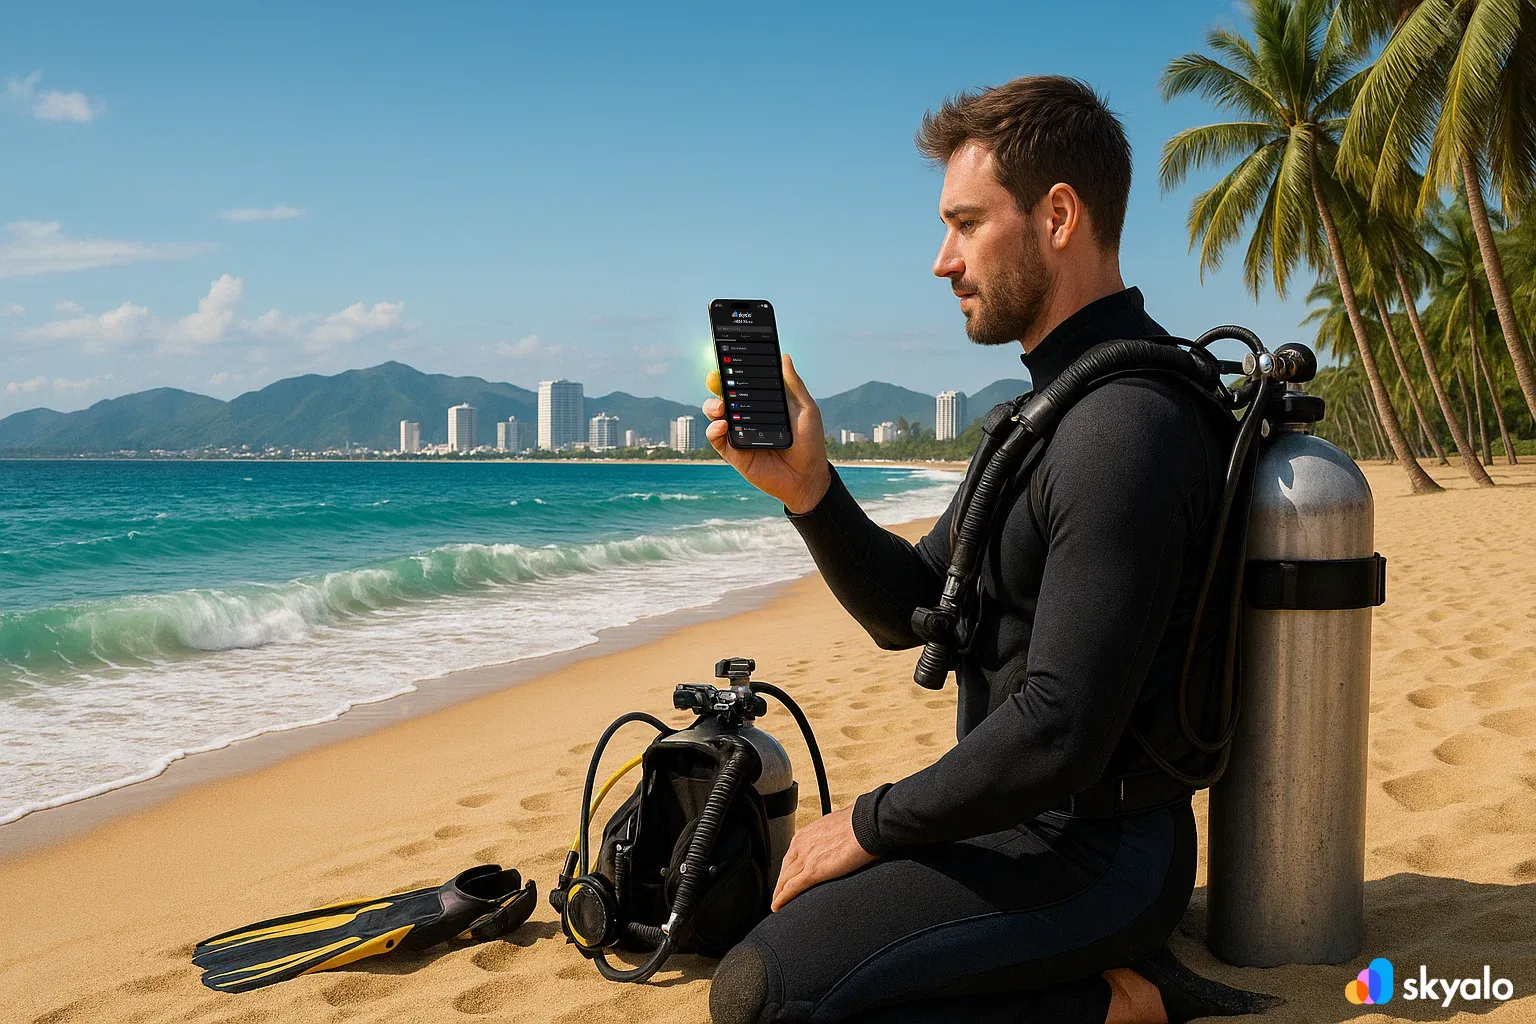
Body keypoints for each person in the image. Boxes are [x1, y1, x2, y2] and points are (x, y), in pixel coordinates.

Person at [700, 77, 1276, 1024]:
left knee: (762, 999)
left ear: (1057, 216)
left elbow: (1059, 725)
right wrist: (810, 489)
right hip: (1008, 822)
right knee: (774, 946)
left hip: (1096, 859)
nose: (942, 261)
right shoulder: (1041, 415)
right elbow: (914, 606)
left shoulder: (1125, 429)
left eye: (966, 224)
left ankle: (1116, 1003)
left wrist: (873, 824)